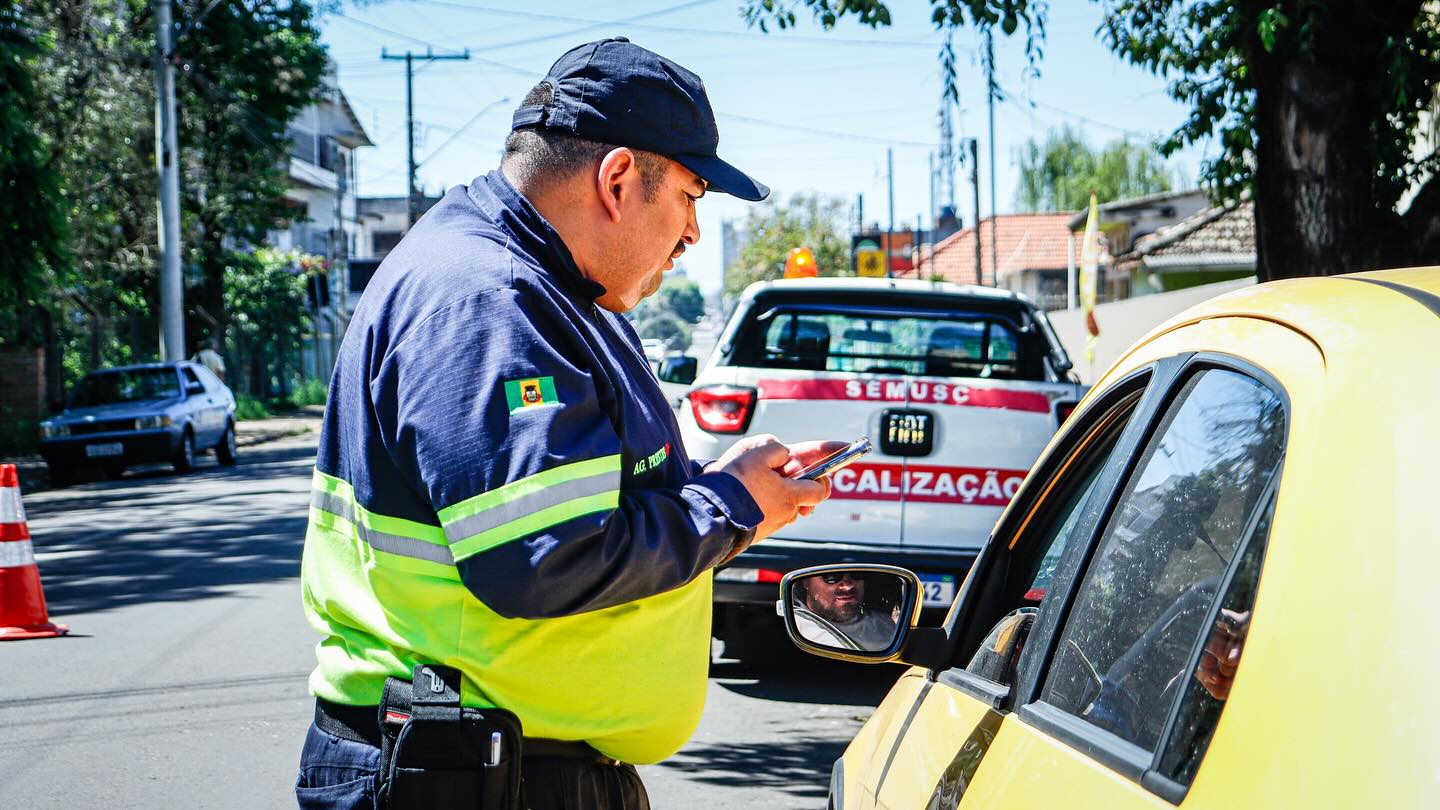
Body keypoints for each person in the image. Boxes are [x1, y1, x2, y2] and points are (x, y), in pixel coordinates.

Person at [295, 38, 842, 810]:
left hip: (496, 768)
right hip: (474, 777)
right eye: (690, 195)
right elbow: (546, 556)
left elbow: (590, 509)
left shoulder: (552, 291)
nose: (691, 233)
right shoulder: (491, 302)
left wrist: (726, 487)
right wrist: (730, 507)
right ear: (618, 179)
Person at [792, 572, 899, 652]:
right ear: (806, 582)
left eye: (857, 574)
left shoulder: (882, 623)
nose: (848, 586)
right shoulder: (796, 625)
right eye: (832, 576)